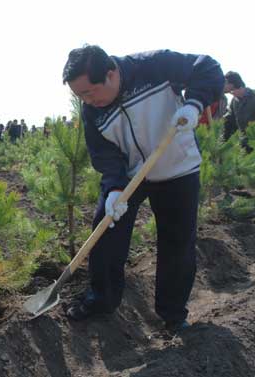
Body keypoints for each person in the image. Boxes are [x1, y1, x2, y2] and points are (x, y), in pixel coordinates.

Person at [62, 45, 224, 332]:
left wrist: (193, 103)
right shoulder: (92, 112)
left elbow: (207, 67)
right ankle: (102, 299)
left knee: (177, 244)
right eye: (80, 96)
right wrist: (113, 188)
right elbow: (103, 153)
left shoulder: (154, 66)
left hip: (178, 167)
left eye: (89, 92)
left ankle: (173, 315)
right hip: (131, 175)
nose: (87, 101)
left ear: (111, 74)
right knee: (106, 231)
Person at [223, 71, 255, 152]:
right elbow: (229, 122)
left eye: (231, 90)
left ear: (237, 85)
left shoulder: (253, 96)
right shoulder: (234, 102)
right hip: (244, 146)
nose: (231, 93)